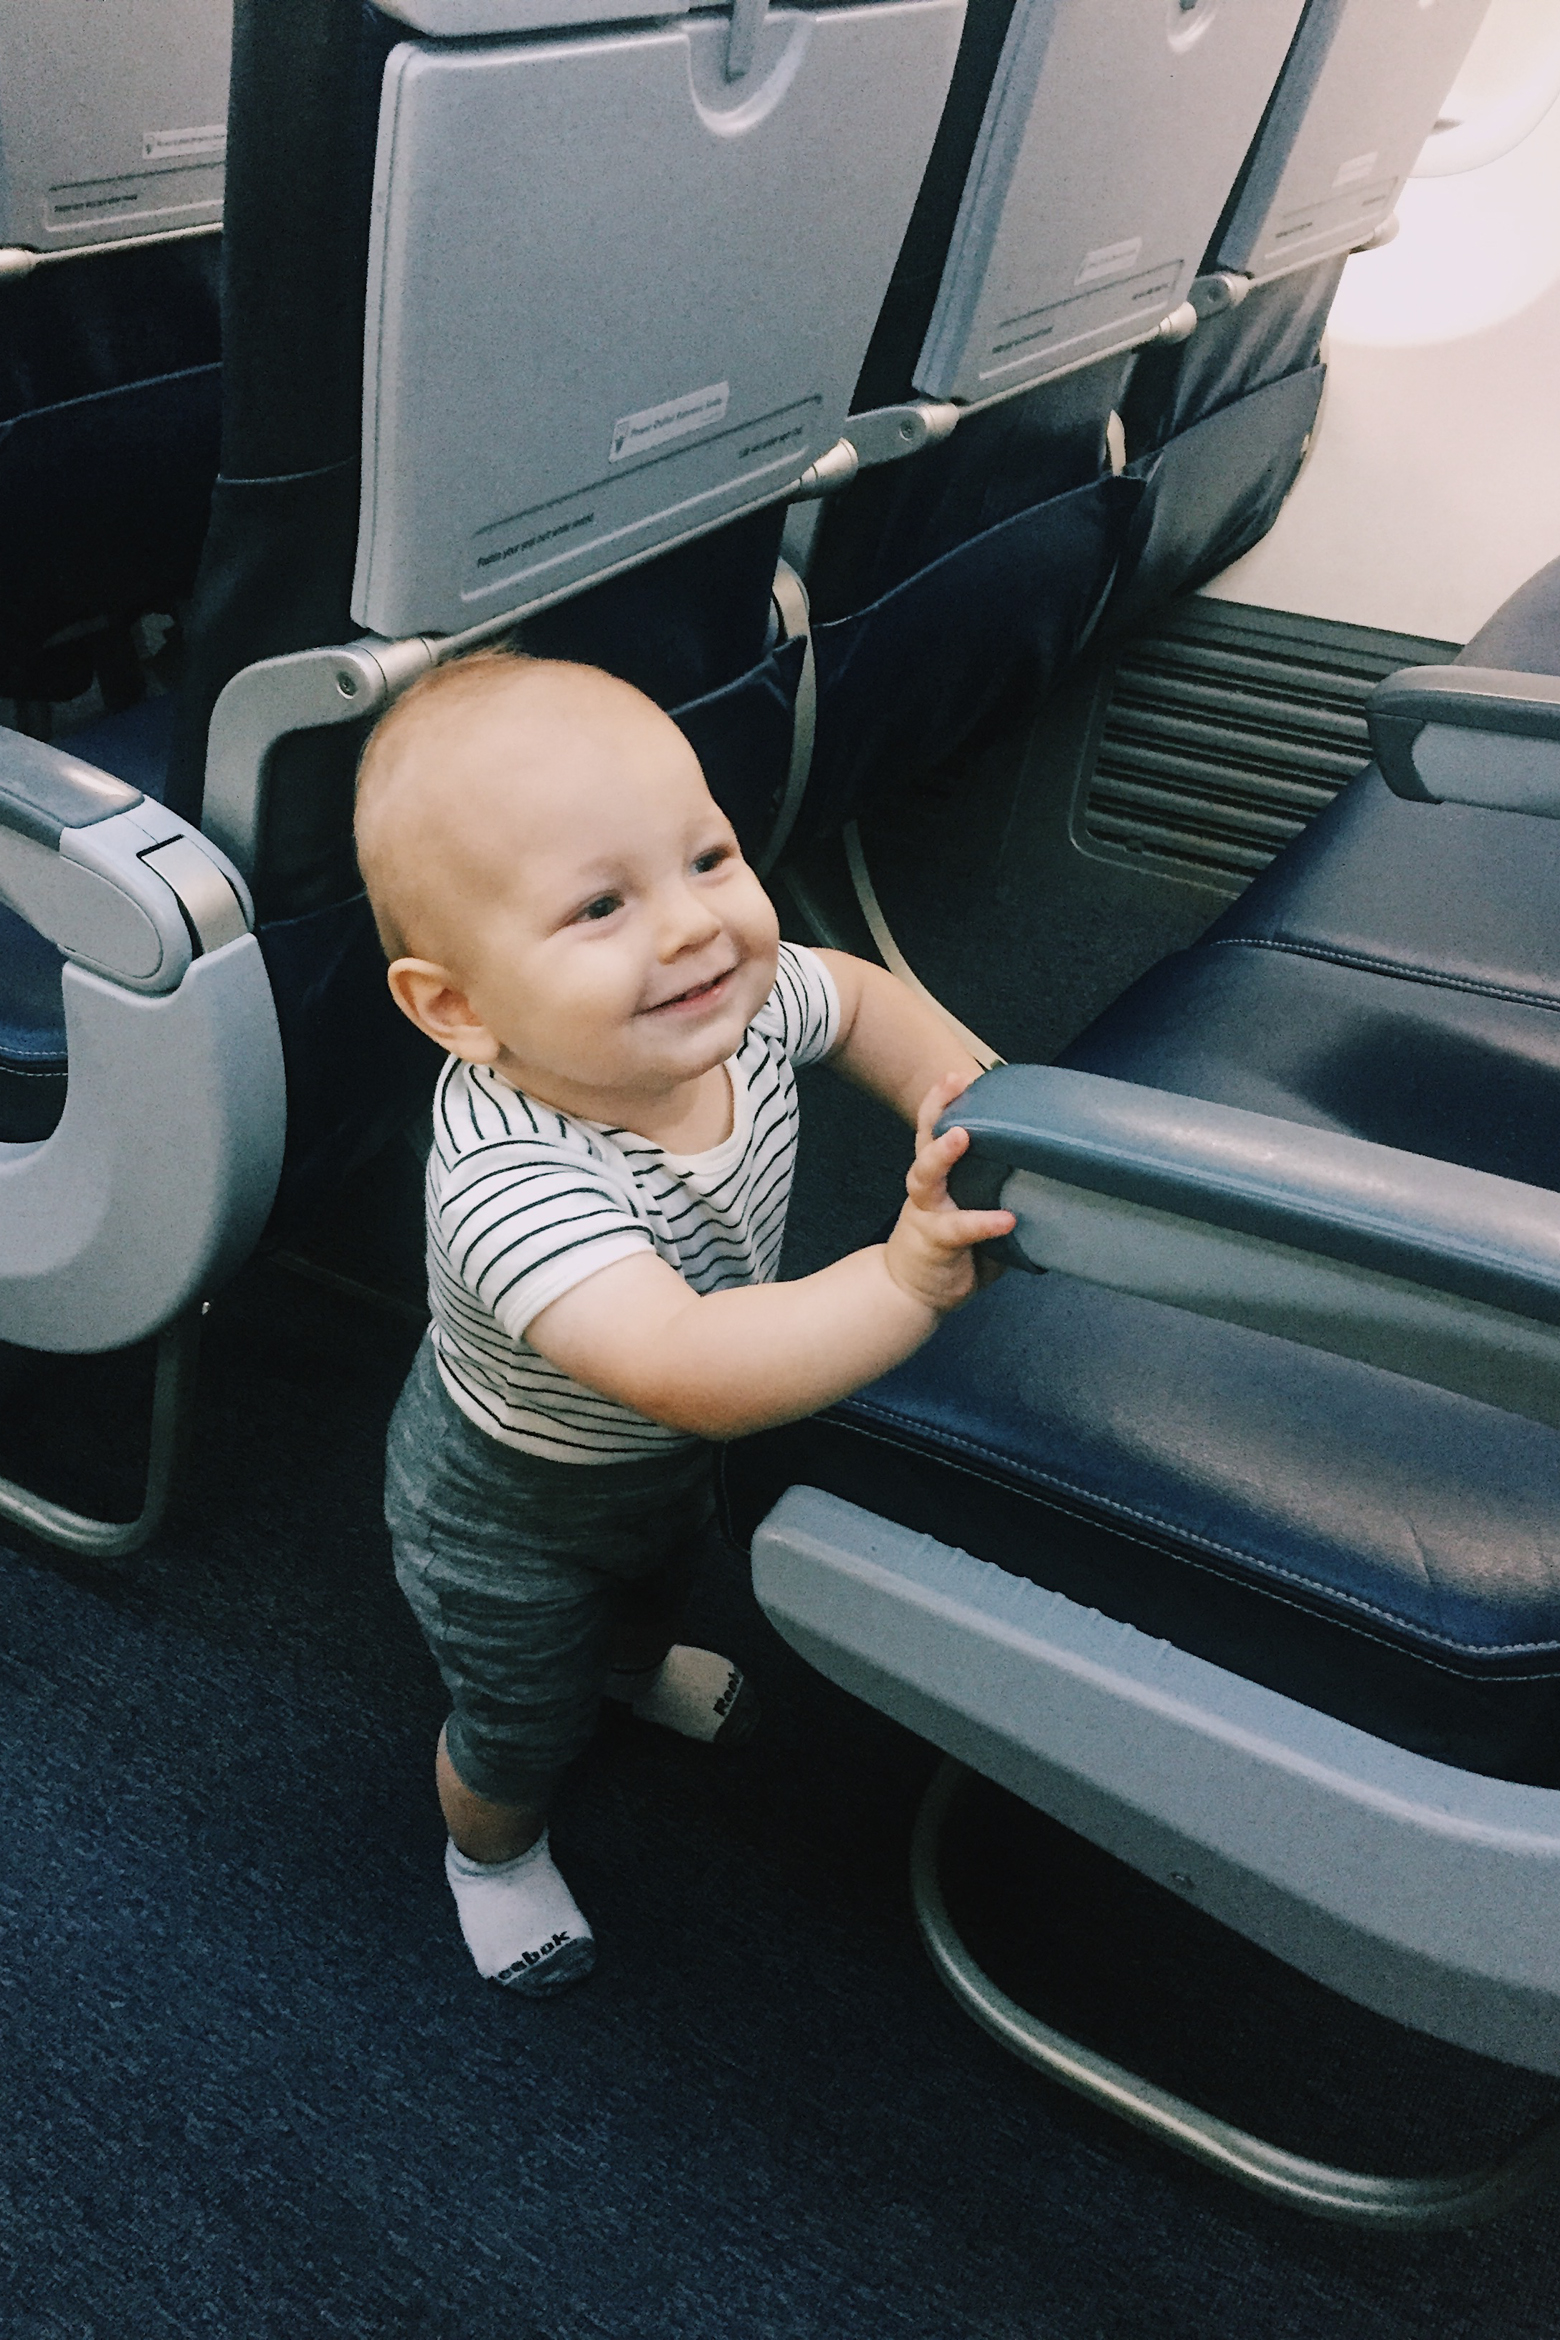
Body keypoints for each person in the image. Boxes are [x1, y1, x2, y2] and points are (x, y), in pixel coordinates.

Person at [355, 648, 1013, 1996]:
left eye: (708, 857)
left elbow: (869, 1004)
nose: (694, 926)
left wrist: (971, 1103)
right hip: (509, 1503)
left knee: (662, 1577)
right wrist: (903, 1281)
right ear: (459, 1007)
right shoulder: (509, 1176)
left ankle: (635, 1667)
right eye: (602, 904)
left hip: (648, 1464)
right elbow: (691, 1370)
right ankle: (491, 1852)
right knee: (520, 1708)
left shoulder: (736, 1000)